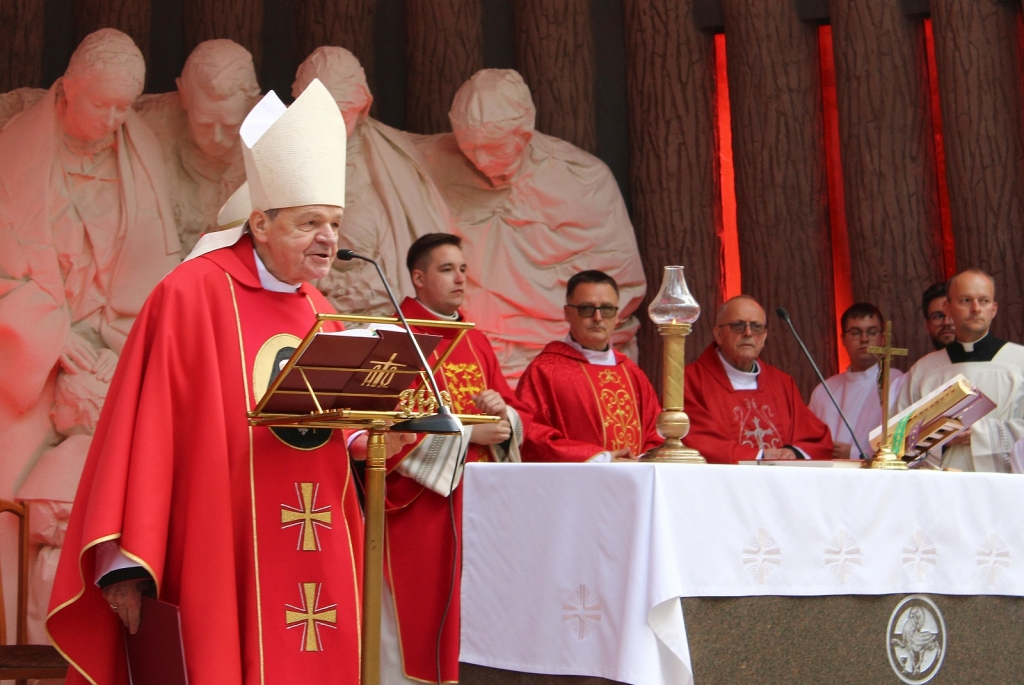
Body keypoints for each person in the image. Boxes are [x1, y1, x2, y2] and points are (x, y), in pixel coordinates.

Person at [47, 80, 384, 684]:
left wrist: (388, 426)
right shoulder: (191, 295)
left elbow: (341, 428)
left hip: (316, 535)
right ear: (260, 221)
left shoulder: (320, 310)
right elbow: (143, 432)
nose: (329, 239)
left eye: (334, 223)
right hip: (216, 542)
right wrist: (127, 565)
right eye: (310, 222)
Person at [0, 28, 180, 639]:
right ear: (66, 90)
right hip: (27, 363)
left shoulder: (141, 152)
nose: (114, 119)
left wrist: (118, 346)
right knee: (24, 519)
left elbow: (158, 259)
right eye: (101, 104)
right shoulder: (15, 155)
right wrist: (50, 337)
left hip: (115, 355)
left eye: (125, 106)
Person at [413, 69, 647, 383]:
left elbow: (622, 287)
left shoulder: (583, 179)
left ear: (524, 134)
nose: (480, 159)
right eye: (469, 147)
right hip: (475, 352)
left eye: (492, 148)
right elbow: (383, 145)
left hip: (560, 355)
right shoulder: (437, 161)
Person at [376, 232, 529, 685]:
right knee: (417, 618)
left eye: (463, 269)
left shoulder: (473, 338)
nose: (461, 278)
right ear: (418, 278)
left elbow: (510, 409)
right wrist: (466, 435)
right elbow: (388, 426)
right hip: (421, 509)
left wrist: (506, 421)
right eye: (447, 270)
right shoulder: (396, 336)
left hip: (480, 505)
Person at [292, 46, 456, 316]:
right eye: (317, 114)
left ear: (361, 108)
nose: (329, 125)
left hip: (377, 311)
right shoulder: (278, 154)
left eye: (341, 114)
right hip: (306, 307)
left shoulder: (393, 161)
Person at [516, 270, 661, 462]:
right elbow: (531, 434)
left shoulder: (632, 374)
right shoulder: (544, 371)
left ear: (617, 315)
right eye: (586, 308)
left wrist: (640, 460)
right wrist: (601, 458)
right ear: (567, 313)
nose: (598, 317)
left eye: (607, 309)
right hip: (576, 486)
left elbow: (656, 433)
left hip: (632, 482)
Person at [135, 39, 260, 254]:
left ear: (251, 105)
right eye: (203, 124)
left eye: (230, 126)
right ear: (183, 96)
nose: (217, 137)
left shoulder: (274, 138)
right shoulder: (145, 130)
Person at [897, 269, 1024, 472]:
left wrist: (980, 433)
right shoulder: (924, 371)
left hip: (1004, 491)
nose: (975, 308)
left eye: (984, 301)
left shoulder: (1019, 362)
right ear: (947, 308)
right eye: (966, 300)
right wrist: (940, 436)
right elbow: (896, 443)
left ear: (994, 309)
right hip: (939, 491)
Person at [683, 295, 833, 463]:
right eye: (738, 326)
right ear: (718, 334)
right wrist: (758, 456)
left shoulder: (782, 383)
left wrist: (793, 452)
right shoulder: (690, 381)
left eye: (756, 327)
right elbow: (694, 439)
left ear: (764, 337)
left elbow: (815, 438)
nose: (748, 333)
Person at [808, 303, 905, 459]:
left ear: (882, 339)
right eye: (855, 332)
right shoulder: (825, 389)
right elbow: (809, 441)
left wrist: (855, 453)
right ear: (843, 339)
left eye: (872, 332)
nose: (864, 339)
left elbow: (903, 441)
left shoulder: (897, 383)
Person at [922, 280, 955, 351]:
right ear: (927, 325)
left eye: (952, 314)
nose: (946, 322)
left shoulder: (984, 361)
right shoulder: (922, 362)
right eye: (938, 316)